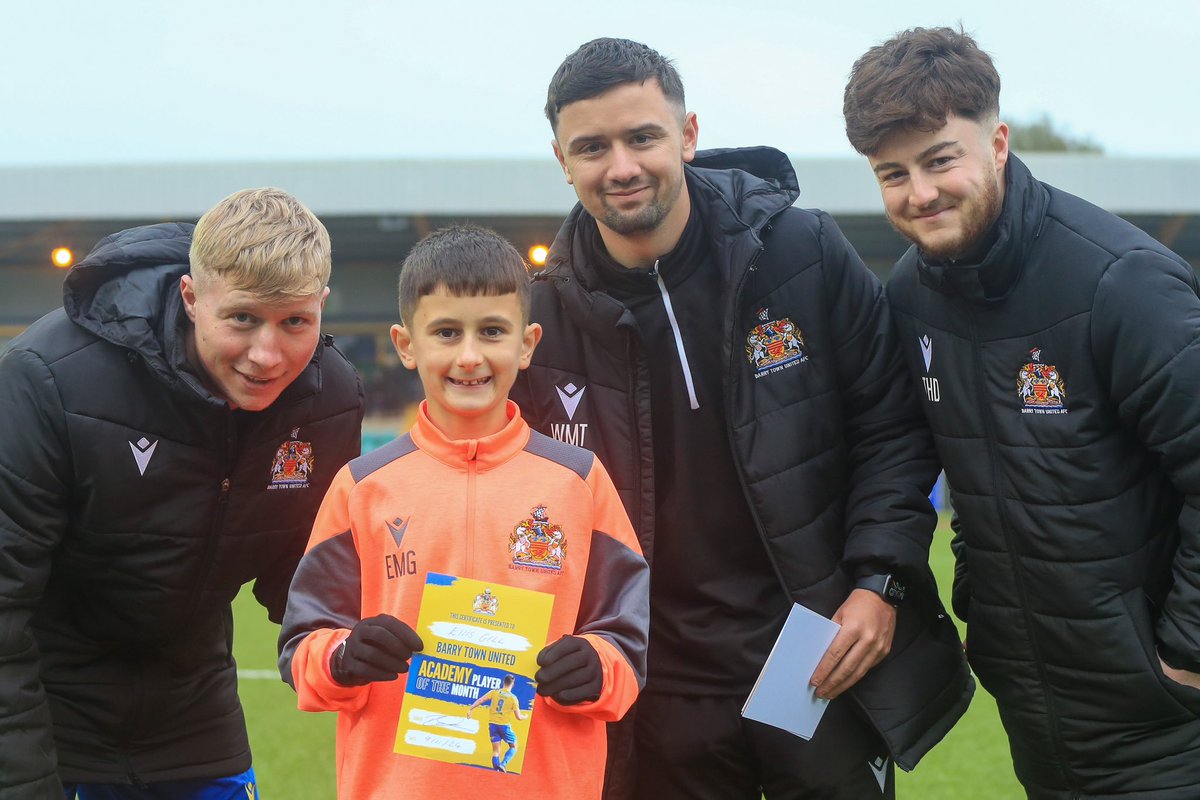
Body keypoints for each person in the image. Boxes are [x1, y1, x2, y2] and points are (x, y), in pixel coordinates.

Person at [509, 37, 972, 800]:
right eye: (592, 147)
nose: (621, 166)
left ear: (687, 134)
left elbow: (893, 426)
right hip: (653, 685)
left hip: (813, 657)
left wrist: (879, 583)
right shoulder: (540, 315)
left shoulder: (801, 252)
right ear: (562, 159)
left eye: (642, 137)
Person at [843, 26, 1200, 799]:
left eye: (941, 159)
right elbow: (958, 468)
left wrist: (1186, 656)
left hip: (1166, 718)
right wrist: (982, 608)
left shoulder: (1121, 283)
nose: (920, 193)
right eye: (892, 173)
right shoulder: (910, 294)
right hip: (1033, 705)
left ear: (997, 142)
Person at [0, 187, 365, 799]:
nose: (267, 355)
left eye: (295, 322)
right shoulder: (47, 378)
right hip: (48, 712)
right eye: (243, 319)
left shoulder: (328, 401)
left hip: (195, 715)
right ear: (192, 297)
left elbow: (302, 582)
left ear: (322, 306)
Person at [278, 224, 649, 800]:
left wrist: (597, 666)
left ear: (527, 344)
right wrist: (345, 656)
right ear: (406, 345)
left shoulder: (581, 482)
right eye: (446, 332)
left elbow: (628, 643)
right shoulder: (361, 488)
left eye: (492, 332)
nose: (470, 356)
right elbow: (302, 648)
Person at [468, 673, 527, 772]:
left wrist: (470, 709)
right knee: (514, 746)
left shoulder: (494, 692)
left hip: (493, 725)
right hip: (504, 726)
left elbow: (481, 700)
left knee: (496, 751)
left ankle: (497, 771)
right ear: (512, 684)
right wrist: (525, 716)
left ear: (503, 682)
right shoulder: (513, 698)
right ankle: (503, 764)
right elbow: (518, 717)